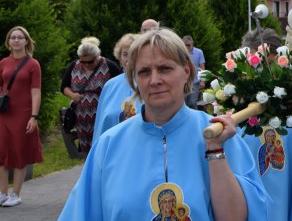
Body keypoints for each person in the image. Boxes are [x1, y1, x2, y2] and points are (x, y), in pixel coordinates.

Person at [59, 28, 269, 220]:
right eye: (144, 72)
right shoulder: (109, 146)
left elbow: (235, 218)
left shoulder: (218, 134)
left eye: (165, 68)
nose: (154, 80)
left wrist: (216, 152)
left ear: (186, 71)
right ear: (134, 80)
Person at [238, 28, 292, 221]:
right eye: (252, 64)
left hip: (287, 195)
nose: (258, 72)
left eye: (266, 63)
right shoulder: (238, 110)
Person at [0, 27, 42, 207]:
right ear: (9, 42)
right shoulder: (3, 62)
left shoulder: (33, 64)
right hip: (4, 113)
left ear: (26, 41)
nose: (16, 40)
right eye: (13, 38)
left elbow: (36, 92)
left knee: (19, 152)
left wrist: (34, 116)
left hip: (23, 113)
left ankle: (16, 194)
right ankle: (2, 193)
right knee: (1, 153)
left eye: (20, 37)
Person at [60, 37, 121, 153]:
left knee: (104, 146)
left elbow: (121, 85)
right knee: (87, 149)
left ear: (97, 56)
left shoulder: (109, 65)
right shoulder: (74, 66)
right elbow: (64, 87)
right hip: (82, 117)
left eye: (90, 61)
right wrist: (72, 95)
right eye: (83, 61)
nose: (86, 64)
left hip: (103, 114)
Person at [92, 33, 141, 145]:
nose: (129, 59)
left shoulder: (151, 83)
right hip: (113, 147)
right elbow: (100, 124)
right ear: (119, 56)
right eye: (125, 54)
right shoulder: (110, 86)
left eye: (134, 54)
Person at [182, 35, 205, 109]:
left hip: (195, 81)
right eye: (185, 45)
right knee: (183, 103)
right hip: (183, 82)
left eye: (189, 45)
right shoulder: (180, 53)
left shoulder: (199, 52)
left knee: (193, 103)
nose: (187, 47)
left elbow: (202, 66)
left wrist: (202, 81)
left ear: (192, 43)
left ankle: (195, 119)